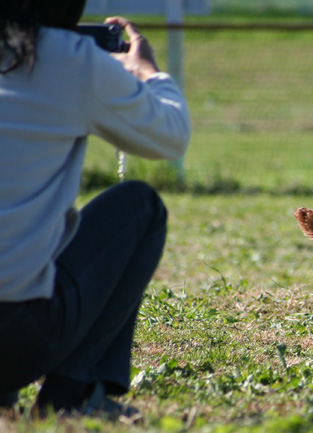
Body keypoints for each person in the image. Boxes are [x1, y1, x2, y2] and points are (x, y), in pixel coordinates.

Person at [0, 0, 191, 419]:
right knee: (139, 208)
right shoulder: (68, 58)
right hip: (14, 338)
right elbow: (170, 137)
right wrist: (148, 73)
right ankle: (74, 395)